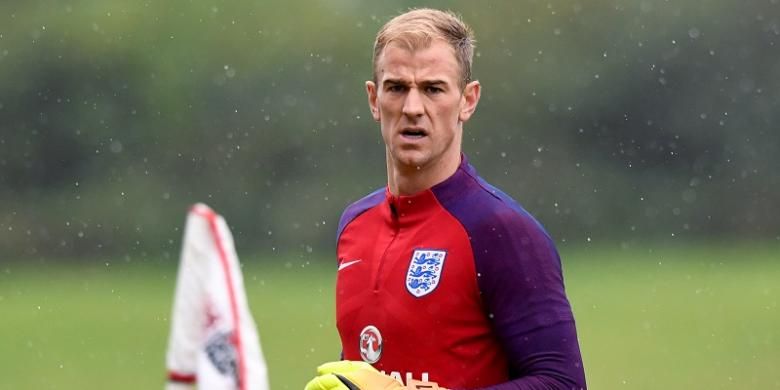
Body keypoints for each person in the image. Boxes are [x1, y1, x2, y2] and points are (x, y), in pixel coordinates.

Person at [306, 8, 586, 390]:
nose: (412, 108)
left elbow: (563, 383)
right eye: (397, 87)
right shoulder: (356, 223)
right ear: (374, 99)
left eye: (433, 89)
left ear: (468, 100)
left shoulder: (499, 230)